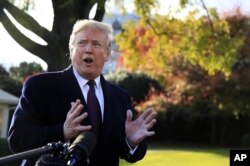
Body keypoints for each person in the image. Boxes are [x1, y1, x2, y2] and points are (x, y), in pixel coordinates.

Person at [8, 19, 157, 166]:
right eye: (82, 42)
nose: (88, 49)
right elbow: (18, 139)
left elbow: (125, 152)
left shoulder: (119, 97)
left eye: (96, 44)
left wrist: (130, 142)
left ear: (107, 54)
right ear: (71, 49)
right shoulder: (40, 87)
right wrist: (63, 132)